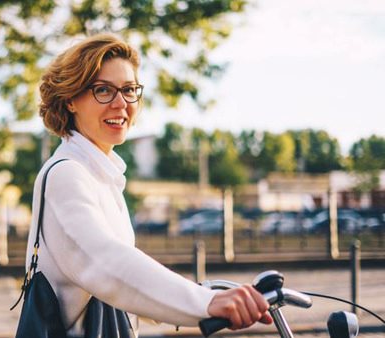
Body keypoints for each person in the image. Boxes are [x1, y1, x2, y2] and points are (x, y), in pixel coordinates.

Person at [25, 33, 272, 336]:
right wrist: (206, 302)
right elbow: (105, 263)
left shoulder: (101, 176)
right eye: (103, 90)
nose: (121, 103)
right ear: (71, 100)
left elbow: (122, 282)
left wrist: (197, 294)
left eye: (129, 90)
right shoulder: (68, 174)